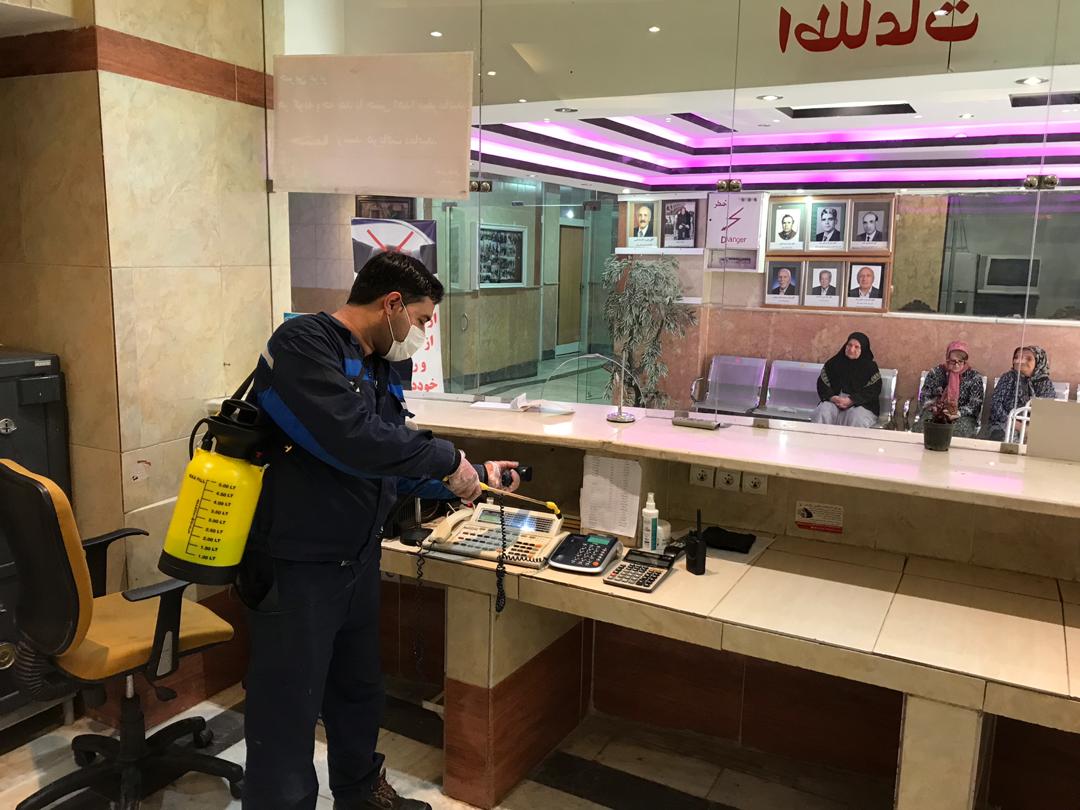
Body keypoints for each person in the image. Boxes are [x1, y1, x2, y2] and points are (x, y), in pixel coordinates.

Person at [238, 251, 520, 810]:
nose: (422, 334)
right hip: (297, 564)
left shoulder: (379, 366)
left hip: (357, 558)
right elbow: (351, 440)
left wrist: (471, 477)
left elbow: (386, 463)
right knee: (287, 709)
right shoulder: (303, 345)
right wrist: (446, 458)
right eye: (421, 319)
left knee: (359, 691)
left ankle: (361, 793)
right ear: (391, 304)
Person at [811, 332, 882, 429]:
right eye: (849, 345)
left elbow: (873, 390)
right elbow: (822, 384)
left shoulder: (870, 368)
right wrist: (832, 397)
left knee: (856, 417)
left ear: (863, 349)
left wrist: (851, 400)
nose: (851, 349)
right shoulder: (834, 363)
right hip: (835, 402)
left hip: (861, 404)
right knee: (823, 411)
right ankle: (819, 438)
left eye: (856, 347)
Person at [985, 345, 1056, 441]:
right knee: (1003, 437)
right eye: (1016, 357)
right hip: (1005, 423)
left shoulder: (1045, 384)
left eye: (1028, 359)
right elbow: (995, 405)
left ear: (1038, 362)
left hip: (1032, 428)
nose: (1020, 361)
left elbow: (1046, 412)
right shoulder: (1008, 378)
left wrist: (1029, 429)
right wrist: (1017, 425)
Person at [913, 341, 983, 438]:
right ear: (947, 359)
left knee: (955, 433)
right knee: (923, 429)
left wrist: (958, 413)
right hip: (934, 413)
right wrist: (936, 409)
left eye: (960, 361)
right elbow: (924, 396)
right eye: (953, 361)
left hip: (963, 416)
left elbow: (975, 403)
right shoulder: (936, 373)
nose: (956, 365)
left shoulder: (974, 377)